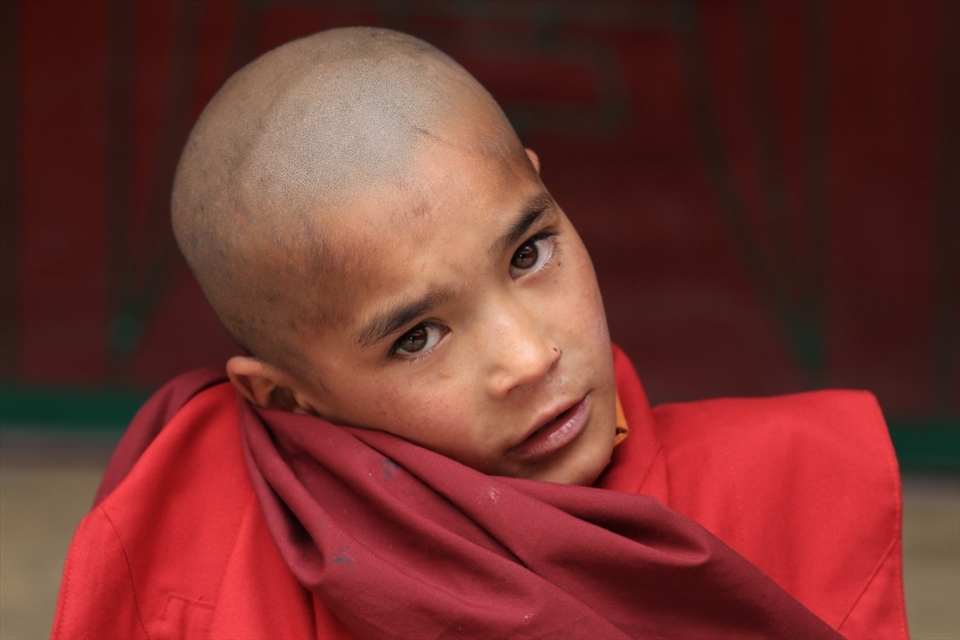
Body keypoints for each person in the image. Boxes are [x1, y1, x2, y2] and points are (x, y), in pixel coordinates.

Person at [52, 27, 907, 639]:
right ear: (286, 397)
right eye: (417, 338)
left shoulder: (790, 496)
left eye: (530, 254)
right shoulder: (187, 549)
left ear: (547, 192)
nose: (531, 360)